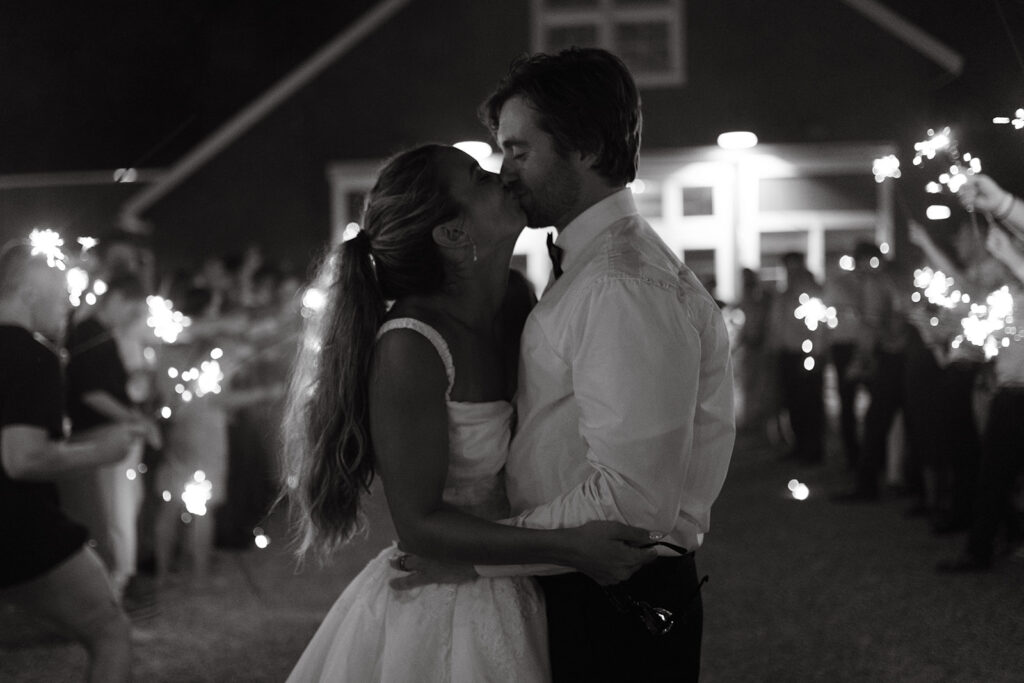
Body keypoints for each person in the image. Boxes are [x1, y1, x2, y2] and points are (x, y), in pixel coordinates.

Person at [283, 144, 657, 682]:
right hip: (451, 596)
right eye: (479, 178)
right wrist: (569, 548)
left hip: (538, 578)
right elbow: (418, 524)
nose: (502, 175)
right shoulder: (412, 345)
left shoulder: (518, 299)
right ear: (453, 233)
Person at [469, 47, 735, 681]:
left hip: (613, 600)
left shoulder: (622, 285)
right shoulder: (595, 268)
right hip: (583, 582)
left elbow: (632, 500)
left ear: (585, 147)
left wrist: (486, 547)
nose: (505, 173)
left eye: (519, 151)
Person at [0, 241, 145, 683]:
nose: (68, 305)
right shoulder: (31, 354)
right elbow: (22, 459)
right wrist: (104, 451)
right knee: (110, 630)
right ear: (28, 292)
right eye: (61, 294)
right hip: (18, 526)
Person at [938, 173, 1024, 572]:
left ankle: (986, 546)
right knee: (994, 472)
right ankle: (983, 548)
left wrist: (1004, 208)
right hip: (1010, 387)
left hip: (1018, 390)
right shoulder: (1013, 289)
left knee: (996, 471)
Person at [62, 273, 161, 599]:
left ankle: (120, 583)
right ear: (117, 298)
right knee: (114, 513)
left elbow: (113, 387)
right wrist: (134, 419)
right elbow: (91, 392)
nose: (133, 318)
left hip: (112, 431)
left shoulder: (104, 334)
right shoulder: (88, 334)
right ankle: (114, 588)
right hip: (100, 435)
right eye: (132, 309)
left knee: (125, 508)